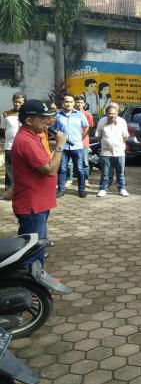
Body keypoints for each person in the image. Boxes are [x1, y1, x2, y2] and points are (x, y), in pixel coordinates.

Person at [11, 100, 67, 264]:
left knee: (38, 247)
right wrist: (59, 146)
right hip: (32, 207)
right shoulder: (27, 141)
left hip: (37, 204)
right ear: (29, 121)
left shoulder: (32, 136)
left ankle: (34, 283)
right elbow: (50, 169)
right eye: (43, 119)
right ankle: (30, 287)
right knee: (31, 253)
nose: (48, 122)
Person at [54, 94, 89, 198]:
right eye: (66, 102)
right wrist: (58, 138)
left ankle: (81, 190)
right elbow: (53, 128)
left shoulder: (79, 114)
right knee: (63, 168)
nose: (68, 104)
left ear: (73, 103)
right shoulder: (58, 115)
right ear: (62, 103)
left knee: (79, 168)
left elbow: (86, 127)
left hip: (77, 146)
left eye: (70, 102)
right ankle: (61, 190)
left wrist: (80, 138)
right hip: (63, 147)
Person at [95, 104, 129, 197]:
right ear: (106, 113)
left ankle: (122, 188)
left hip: (119, 151)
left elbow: (125, 137)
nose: (112, 115)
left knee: (120, 172)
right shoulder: (101, 121)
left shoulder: (122, 122)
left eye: (114, 113)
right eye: (110, 113)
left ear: (117, 113)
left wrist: (116, 144)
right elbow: (98, 137)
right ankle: (103, 189)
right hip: (106, 152)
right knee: (105, 172)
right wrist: (107, 143)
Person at [1, 93, 25, 191]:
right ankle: (8, 189)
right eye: (16, 101)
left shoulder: (27, 114)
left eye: (20, 102)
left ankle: (22, 189)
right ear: (13, 101)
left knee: (23, 169)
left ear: (24, 103)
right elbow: (3, 129)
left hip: (24, 146)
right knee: (9, 169)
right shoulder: (6, 114)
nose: (17, 104)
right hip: (10, 146)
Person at [74, 95, 94, 183]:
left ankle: (85, 179)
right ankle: (69, 179)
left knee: (85, 162)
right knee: (70, 162)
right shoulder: (71, 114)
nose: (79, 104)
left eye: (81, 103)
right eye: (77, 102)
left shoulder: (87, 115)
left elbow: (91, 127)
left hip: (84, 141)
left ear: (84, 104)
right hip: (72, 142)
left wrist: (83, 136)